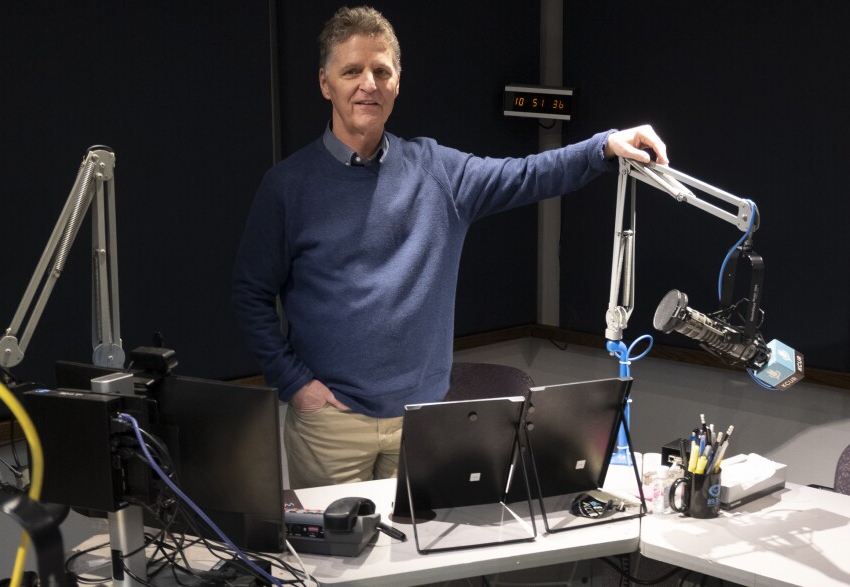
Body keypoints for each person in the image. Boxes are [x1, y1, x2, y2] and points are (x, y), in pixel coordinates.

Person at [234, 6, 668, 489]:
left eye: (382, 71)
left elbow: (526, 174)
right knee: (331, 564)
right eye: (352, 71)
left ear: (398, 81)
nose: (368, 84)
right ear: (324, 83)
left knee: (421, 560)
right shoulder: (288, 187)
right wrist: (296, 385)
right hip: (330, 426)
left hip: (424, 421)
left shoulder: (438, 172)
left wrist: (603, 145)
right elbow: (250, 294)